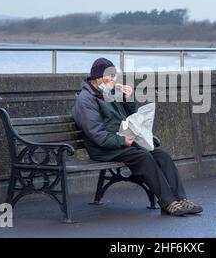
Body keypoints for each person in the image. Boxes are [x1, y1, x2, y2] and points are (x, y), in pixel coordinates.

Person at [72, 58, 203, 216]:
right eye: (110, 76)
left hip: (122, 143)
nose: (114, 80)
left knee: (162, 156)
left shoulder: (109, 93)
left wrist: (128, 98)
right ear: (97, 77)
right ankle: (168, 202)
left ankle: (181, 199)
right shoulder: (85, 100)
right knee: (143, 157)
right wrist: (121, 140)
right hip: (103, 148)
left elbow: (130, 116)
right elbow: (97, 134)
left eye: (115, 76)